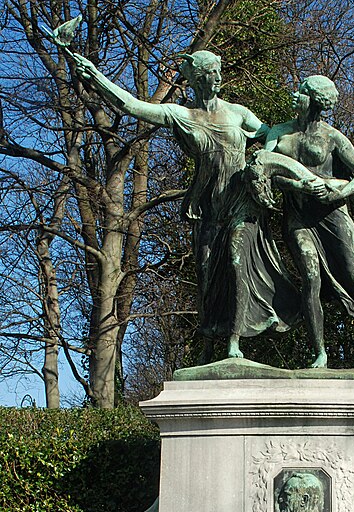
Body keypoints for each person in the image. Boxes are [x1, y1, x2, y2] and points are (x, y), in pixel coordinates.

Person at [70, 48, 298, 360]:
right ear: (195, 78)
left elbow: (272, 135)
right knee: (204, 273)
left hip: (240, 202)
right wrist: (95, 76)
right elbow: (131, 105)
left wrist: (279, 153)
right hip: (206, 205)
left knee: (235, 262)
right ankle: (207, 343)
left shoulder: (238, 113)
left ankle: (233, 341)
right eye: (209, 73)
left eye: (218, 71)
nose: (216, 78)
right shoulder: (181, 115)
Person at [265, 75, 354, 369]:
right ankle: (320, 353)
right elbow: (267, 172)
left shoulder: (332, 136)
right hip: (299, 217)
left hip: (333, 215)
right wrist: (299, 187)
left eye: (303, 94)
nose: (297, 97)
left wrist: (341, 191)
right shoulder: (278, 133)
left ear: (315, 101)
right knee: (310, 277)